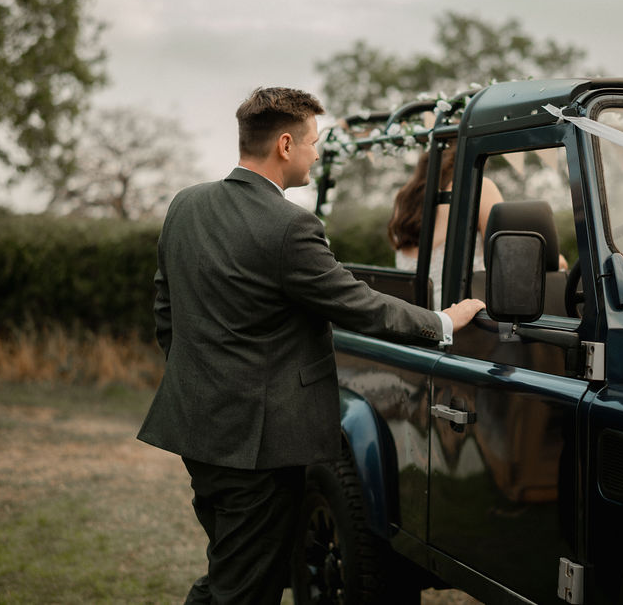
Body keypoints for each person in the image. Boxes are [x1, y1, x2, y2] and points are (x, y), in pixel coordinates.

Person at [136, 87, 485, 605]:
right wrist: (441, 321)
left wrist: (200, 377)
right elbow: (359, 305)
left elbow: (167, 310)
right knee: (244, 586)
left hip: (196, 425)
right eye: (312, 143)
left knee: (234, 568)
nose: (316, 154)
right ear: (284, 144)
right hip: (257, 446)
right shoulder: (289, 226)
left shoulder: (185, 205)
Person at [389, 146, 504, 310]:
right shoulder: (479, 186)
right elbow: (505, 257)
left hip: (413, 318)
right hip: (460, 320)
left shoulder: (403, 198)